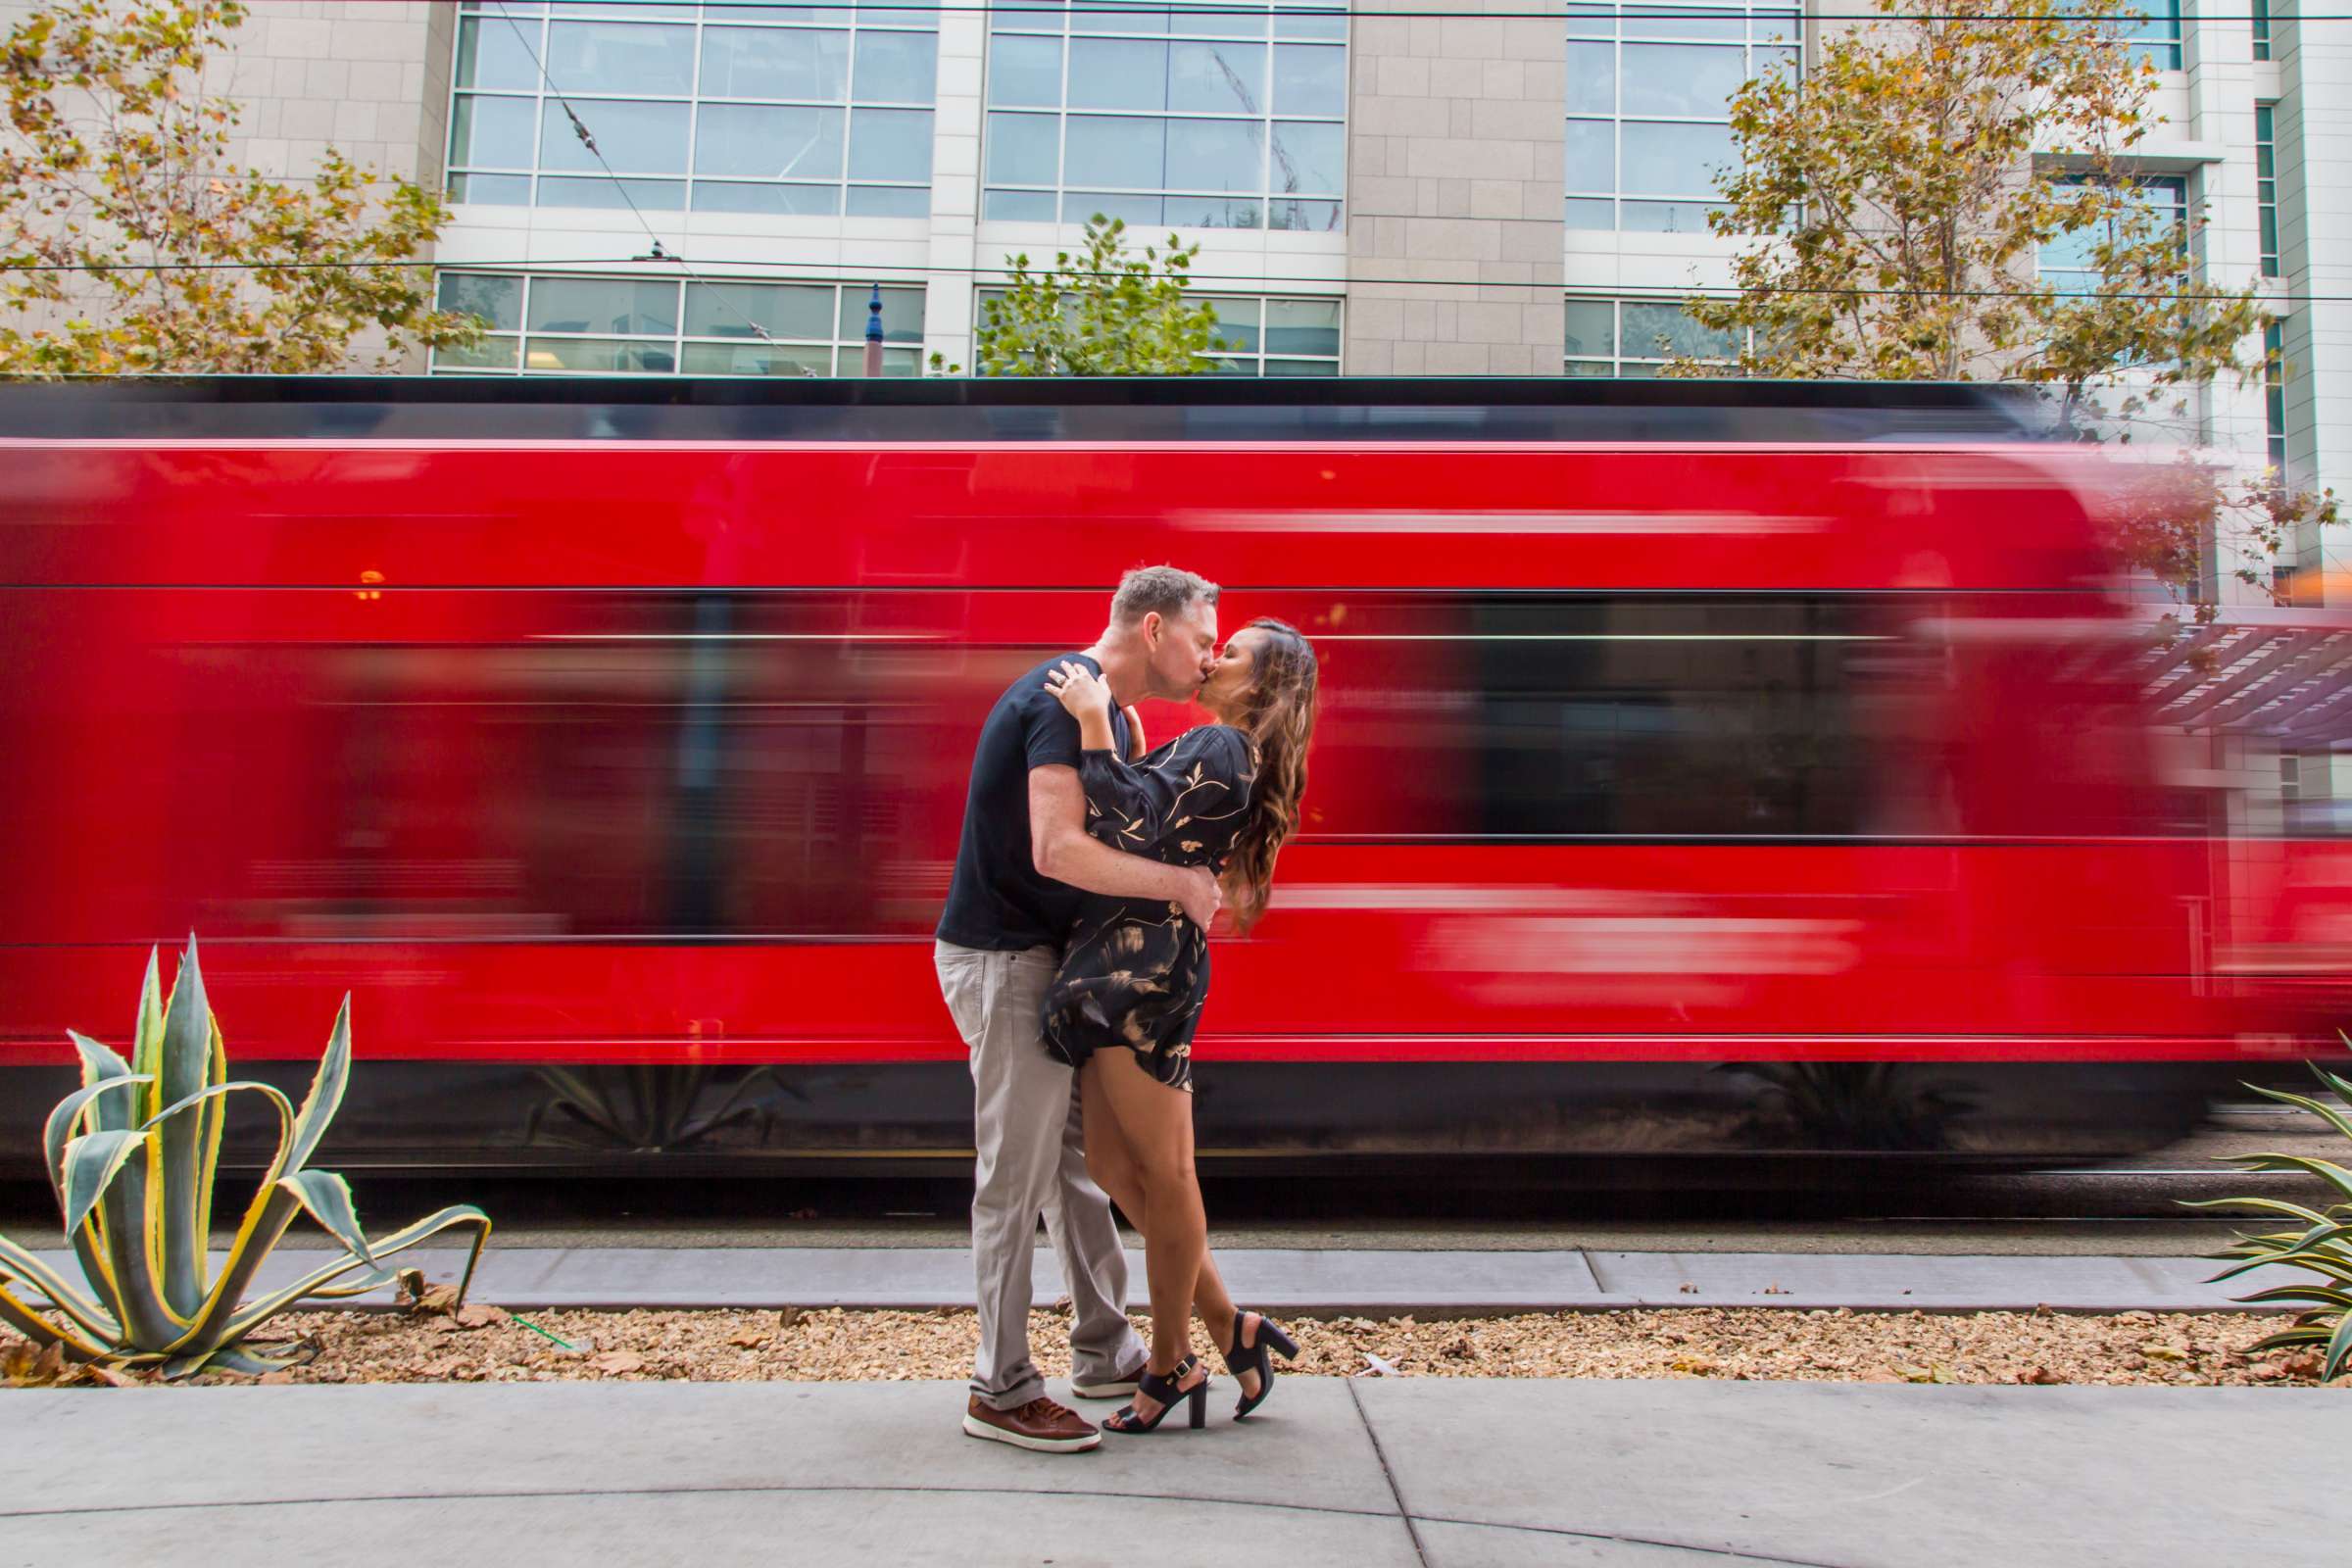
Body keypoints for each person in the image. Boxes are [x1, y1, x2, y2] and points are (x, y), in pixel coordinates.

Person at [934, 565, 1227, 1454]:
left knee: (1072, 1167)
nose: (1210, 660)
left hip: (1046, 965)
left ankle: (1104, 1351)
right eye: (1202, 640)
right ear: (1151, 631)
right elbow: (1059, 849)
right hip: (1004, 961)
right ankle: (1001, 1385)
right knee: (1014, 1177)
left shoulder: (1114, 714)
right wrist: (1180, 885)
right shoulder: (1063, 701)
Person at [1039, 614, 1319, 1434]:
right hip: (1120, 962)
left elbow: (1127, 824)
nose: (1211, 656)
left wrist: (1094, 722)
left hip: (1142, 973)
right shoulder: (1222, 750)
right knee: (1115, 1165)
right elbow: (1149, 816)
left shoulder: (1228, 747)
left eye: (1230, 654)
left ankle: (1170, 1365)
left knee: (1162, 1173)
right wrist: (1118, 737)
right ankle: (1231, 1325)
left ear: (1259, 687)